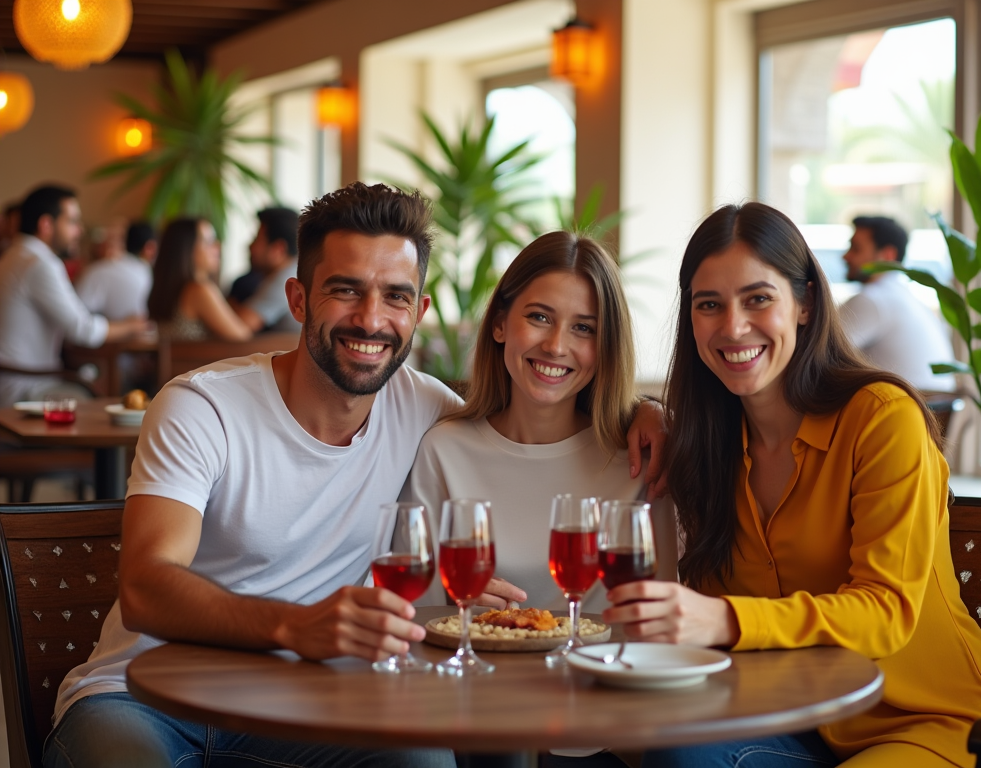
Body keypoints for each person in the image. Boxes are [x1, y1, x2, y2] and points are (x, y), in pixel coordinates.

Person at [44, 182, 669, 768]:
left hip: (307, 706)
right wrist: (294, 625)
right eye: (345, 290)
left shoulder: (429, 414)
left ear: (418, 311)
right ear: (297, 299)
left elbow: (525, 417)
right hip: (143, 697)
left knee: (422, 759)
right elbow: (148, 587)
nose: (371, 320)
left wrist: (645, 411)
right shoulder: (202, 407)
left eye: (395, 296)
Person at [603, 202, 981, 768]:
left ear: (803, 304)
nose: (732, 326)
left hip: (934, 727)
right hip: (794, 724)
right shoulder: (706, 446)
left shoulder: (882, 418)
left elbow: (884, 612)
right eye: (709, 305)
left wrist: (723, 620)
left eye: (758, 299)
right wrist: (638, 410)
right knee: (635, 743)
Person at [408, 231, 676, 615]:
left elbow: (658, 615)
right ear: (500, 323)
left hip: (603, 671)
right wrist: (454, 604)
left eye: (583, 328)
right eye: (539, 317)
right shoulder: (443, 451)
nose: (555, 345)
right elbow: (417, 613)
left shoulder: (636, 458)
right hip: (479, 669)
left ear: (606, 346)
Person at [0, 185, 149, 407]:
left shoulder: (14, 255)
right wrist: (131, 325)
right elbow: (83, 330)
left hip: (14, 380)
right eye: (72, 222)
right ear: (46, 224)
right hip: (26, 390)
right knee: (106, 405)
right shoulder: (40, 264)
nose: (79, 231)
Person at [839, 215, 955, 392]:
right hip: (931, 412)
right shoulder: (908, 298)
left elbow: (815, 354)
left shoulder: (873, 299)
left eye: (856, 249)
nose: (846, 256)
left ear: (888, 255)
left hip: (897, 412)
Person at [147, 217, 253, 341]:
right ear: (186, 249)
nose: (217, 246)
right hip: (201, 361)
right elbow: (243, 338)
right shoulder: (198, 290)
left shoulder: (170, 290)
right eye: (209, 241)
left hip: (180, 360)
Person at [232, 206, 303, 334]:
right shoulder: (292, 270)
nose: (250, 246)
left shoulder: (287, 279)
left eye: (257, 239)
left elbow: (240, 328)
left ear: (278, 249)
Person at [76, 219, 154, 321]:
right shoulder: (94, 270)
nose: (110, 247)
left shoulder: (97, 271)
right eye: (109, 238)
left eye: (117, 239)